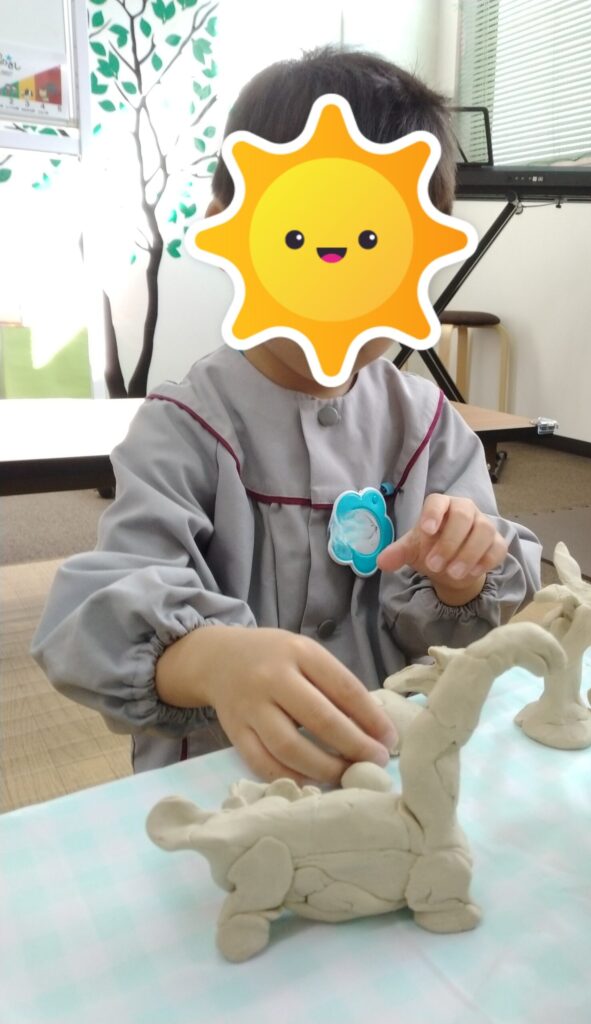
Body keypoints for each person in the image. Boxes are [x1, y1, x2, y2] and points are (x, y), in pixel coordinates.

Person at [31, 47, 541, 784]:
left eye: (373, 246)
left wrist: (461, 577)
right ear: (231, 230)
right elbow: (97, 616)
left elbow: (462, 627)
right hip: (222, 785)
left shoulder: (430, 427)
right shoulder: (183, 429)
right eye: (299, 238)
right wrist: (208, 658)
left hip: (386, 776)